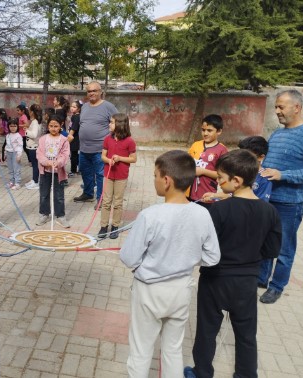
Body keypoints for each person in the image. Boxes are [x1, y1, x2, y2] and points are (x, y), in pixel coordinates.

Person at [120, 150, 220, 378]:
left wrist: (144, 266)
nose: (153, 179)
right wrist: (189, 258)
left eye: (155, 175)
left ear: (166, 181)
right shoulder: (202, 214)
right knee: (173, 350)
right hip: (181, 290)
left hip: (149, 291)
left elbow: (128, 257)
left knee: (140, 351)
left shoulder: (150, 215)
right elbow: (212, 257)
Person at [185, 149, 282, 378]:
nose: (217, 182)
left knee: (207, 330)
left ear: (236, 181)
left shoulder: (219, 210)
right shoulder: (270, 212)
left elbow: (205, 248)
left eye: (220, 178)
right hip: (247, 282)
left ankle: (201, 372)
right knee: (246, 334)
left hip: (215, 279)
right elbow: (272, 250)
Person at [258, 89, 303, 304]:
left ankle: (277, 286)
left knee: (284, 247)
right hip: (268, 199)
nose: (277, 111)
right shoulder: (277, 134)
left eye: (281, 107)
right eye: (276, 107)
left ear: (296, 108)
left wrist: (282, 175)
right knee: (264, 241)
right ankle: (261, 278)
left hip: (289, 203)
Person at [74, 81, 118, 207]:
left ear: (100, 92)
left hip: (101, 150)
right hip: (84, 149)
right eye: (89, 91)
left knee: (100, 175)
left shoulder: (108, 106)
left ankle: (101, 200)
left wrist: (115, 142)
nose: (91, 93)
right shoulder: (85, 107)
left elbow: (118, 123)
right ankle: (88, 194)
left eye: (94, 91)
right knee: (85, 172)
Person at [98, 114, 137, 239]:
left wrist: (120, 158)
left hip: (121, 176)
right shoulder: (107, 139)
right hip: (108, 175)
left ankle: (115, 226)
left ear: (120, 125)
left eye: (112, 122)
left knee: (118, 202)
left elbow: (133, 159)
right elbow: (103, 156)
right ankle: (104, 226)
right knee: (106, 201)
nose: (109, 124)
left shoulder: (129, 141)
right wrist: (108, 160)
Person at [201, 135, 272, 202]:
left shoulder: (265, 178)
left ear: (261, 157)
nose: (240, 157)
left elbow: (259, 204)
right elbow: (232, 195)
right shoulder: (238, 170)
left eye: (246, 155)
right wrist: (214, 196)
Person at [36, 114, 71, 228]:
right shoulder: (42, 139)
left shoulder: (64, 140)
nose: (53, 128)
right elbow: (39, 154)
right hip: (45, 172)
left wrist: (58, 162)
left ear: (61, 126)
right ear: (48, 126)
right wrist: (46, 162)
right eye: (51, 126)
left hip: (58, 173)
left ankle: (60, 216)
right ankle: (44, 214)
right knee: (44, 194)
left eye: (56, 126)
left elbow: (65, 155)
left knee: (59, 195)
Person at [187, 114, 228, 206]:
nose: (205, 133)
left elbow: (223, 175)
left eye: (209, 130)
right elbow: (187, 164)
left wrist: (203, 171)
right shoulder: (195, 145)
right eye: (203, 130)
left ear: (219, 131)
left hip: (206, 197)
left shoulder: (222, 150)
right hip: (188, 194)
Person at [24, 104, 42, 190]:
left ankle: (36, 181)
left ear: (32, 112)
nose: (29, 112)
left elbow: (34, 134)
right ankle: (34, 180)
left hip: (34, 147)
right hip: (33, 146)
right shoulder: (35, 121)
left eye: (30, 111)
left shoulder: (35, 122)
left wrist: (26, 131)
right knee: (35, 165)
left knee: (35, 165)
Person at [5, 118, 23, 190]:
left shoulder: (18, 136)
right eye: (11, 126)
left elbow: (20, 146)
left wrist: (19, 155)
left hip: (15, 153)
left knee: (16, 168)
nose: (13, 128)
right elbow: (7, 145)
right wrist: (5, 153)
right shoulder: (8, 135)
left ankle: (17, 183)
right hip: (9, 153)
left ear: (17, 127)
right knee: (10, 168)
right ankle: (12, 181)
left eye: (14, 126)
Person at [67, 100, 82, 177]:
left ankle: (73, 171)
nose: (72, 108)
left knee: (74, 155)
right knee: (74, 154)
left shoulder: (76, 117)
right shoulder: (74, 116)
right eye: (71, 106)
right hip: (74, 138)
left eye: (74, 107)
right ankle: (77, 170)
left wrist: (68, 138)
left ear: (78, 109)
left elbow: (74, 128)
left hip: (74, 138)